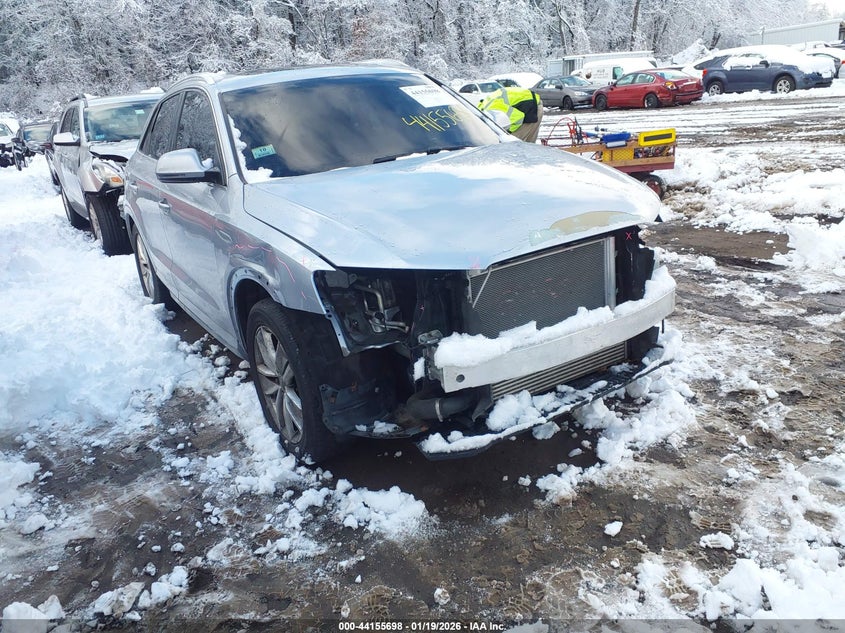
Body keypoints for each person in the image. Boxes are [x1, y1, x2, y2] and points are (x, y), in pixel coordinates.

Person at [478, 87, 544, 143]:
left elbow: (518, 118)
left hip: (533, 104)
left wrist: (507, 133)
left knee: (515, 142)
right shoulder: (479, 110)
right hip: (521, 101)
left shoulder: (498, 110)